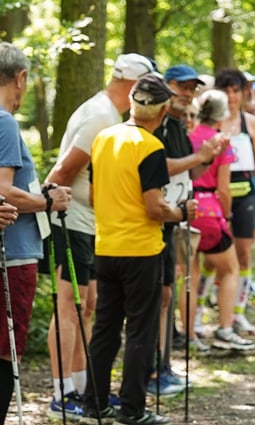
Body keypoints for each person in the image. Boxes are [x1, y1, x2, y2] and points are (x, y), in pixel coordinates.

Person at [42, 52, 155, 417]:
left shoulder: (110, 115)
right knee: (69, 309)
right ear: (134, 84)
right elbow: (62, 172)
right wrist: (46, 212)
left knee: (87, 307)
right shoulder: (100, 116)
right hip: (71, 222)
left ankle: (80, 387)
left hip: (91, 226)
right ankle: (61, 395)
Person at [84, 73, 197, 425]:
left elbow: (91, 196)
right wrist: (181, 211)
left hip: (105, 247)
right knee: (140, 331)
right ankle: (132, 410)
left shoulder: (103, 138)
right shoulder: (150, 147)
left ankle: (94, 405)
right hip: (142, 250)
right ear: (164, 111)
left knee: (104, 329)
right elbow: (154, 207)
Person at [0, 42, 72, 423]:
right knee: (6, 352)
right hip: (13, 255)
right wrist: (49, 202)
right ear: (20, 78)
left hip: (11, 252)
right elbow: (5, 192)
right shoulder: (5, 122)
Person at [152, 64, 227, 395]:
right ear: (165, 86)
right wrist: (200, 155)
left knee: (168, 292)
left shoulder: (181, 126)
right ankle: (154, 370)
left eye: (192, 88)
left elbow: (191, 174)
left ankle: (163, 366)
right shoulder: (157, 125)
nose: (187, 93)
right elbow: (159, 167)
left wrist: (207, 157)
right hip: (156, 217)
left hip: (176, 217)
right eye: (181, 86)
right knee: (160, 294)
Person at [188, 90, 255, 351]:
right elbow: (224, 189)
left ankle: (191, 331)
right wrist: (226, 216)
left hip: (186, 209)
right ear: (222, 115)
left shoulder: (188, 137)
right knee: (230, 268)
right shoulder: (221, 142)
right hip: (210, 212)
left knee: (191, 274)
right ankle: (225, 328)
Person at [215, 68, 255, 335]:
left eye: (235, 90)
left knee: (244, 253)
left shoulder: (252, 122)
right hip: (218, 191)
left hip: (247, 191)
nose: (231, 96)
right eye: (226, 90)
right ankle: (209, 310)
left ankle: (239, 311)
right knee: (215, 255)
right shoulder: (212, 119)